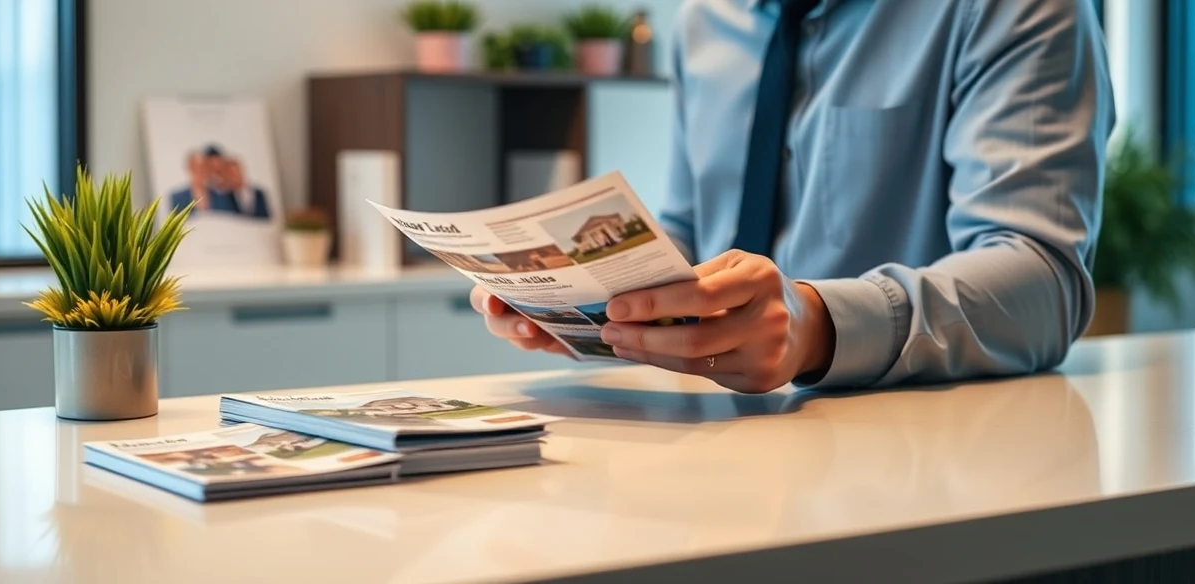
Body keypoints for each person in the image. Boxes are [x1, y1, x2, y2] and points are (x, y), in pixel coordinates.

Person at [472, 0, 1115, 394]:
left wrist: (817, 326)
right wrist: (594, 302)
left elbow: (1042, 280)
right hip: (713, 455)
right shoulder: (704, 20)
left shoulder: (1013, 6)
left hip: (921, 467)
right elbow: (694, 232)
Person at [169, 145, 271, 219]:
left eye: (204, 168)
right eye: (197, 168)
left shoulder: (222, 196)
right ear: (189, 168)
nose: (201, 172)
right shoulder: (177, 197)